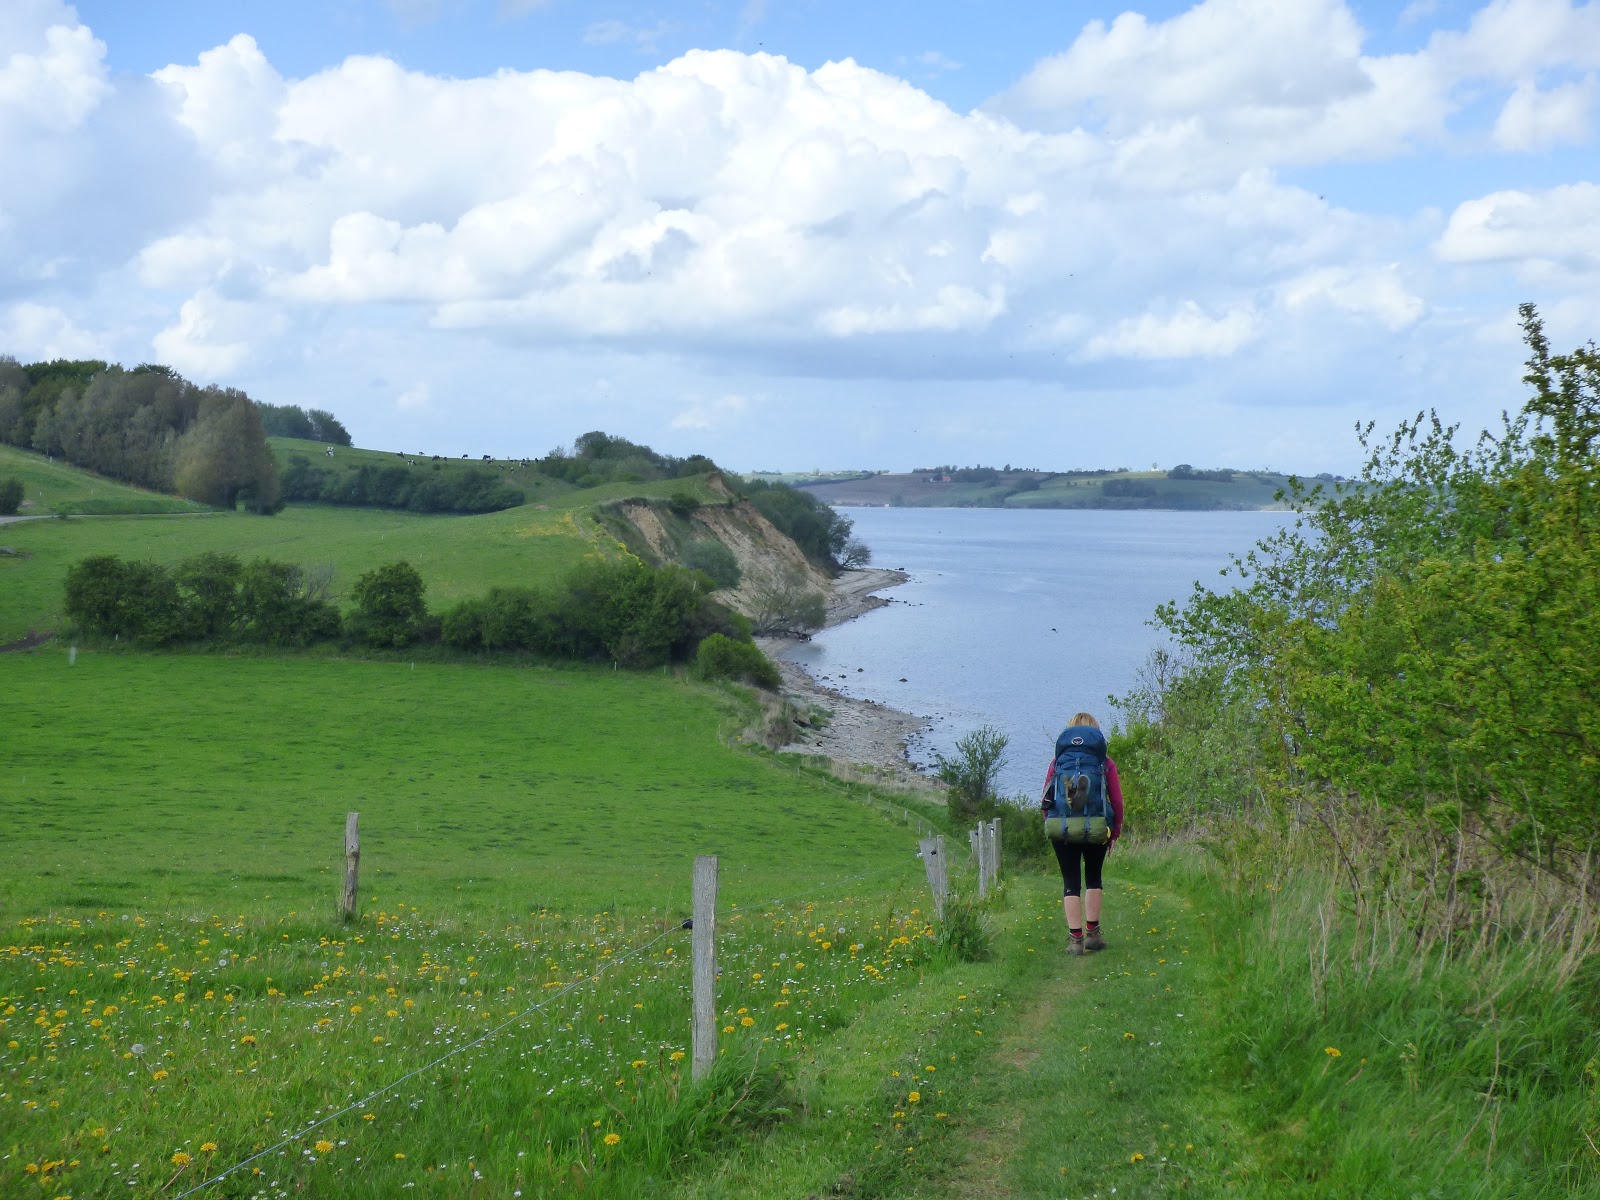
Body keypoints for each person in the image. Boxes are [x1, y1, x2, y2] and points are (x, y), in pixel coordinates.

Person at [1040, 711, 1123, 955]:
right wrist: (1114, 831)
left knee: (1071, 881)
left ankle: (1075, 940)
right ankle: (1093, 935)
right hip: (1097, 825)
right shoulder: (1105, 763)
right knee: (1094, 877)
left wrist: (1051, 821)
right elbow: (1117, 801)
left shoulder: (1057, 763)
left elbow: (1046, 798)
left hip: (1063, 827)